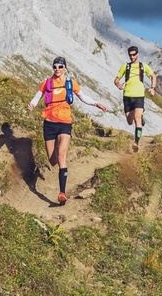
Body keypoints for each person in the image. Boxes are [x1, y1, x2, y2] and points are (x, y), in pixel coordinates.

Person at [27, 56, 107, 205]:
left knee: (62, 157)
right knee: (53, 161)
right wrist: (32, 104)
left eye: (60, 66)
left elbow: (83, 97)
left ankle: (62, 193)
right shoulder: (47, 82)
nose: (57, 69)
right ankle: (58, 149)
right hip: (49, 124)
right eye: (55, 67)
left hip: (65, 123)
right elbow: (38, 96)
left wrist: (96, 103)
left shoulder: (71, 83)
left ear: (65, 68)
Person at [113, 46, 157, 150]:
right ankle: (140, 115)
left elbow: (153, 76)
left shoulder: (143, 66)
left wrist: (152, 88)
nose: (132, 57)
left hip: (139, 95)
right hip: (127, 96)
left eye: (134, 55)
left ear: (137, 54)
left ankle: (136, 143)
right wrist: (118, 84)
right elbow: (116, 79)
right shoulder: (126, 66)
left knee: (137, 118)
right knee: (129, 121)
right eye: (130, 55)